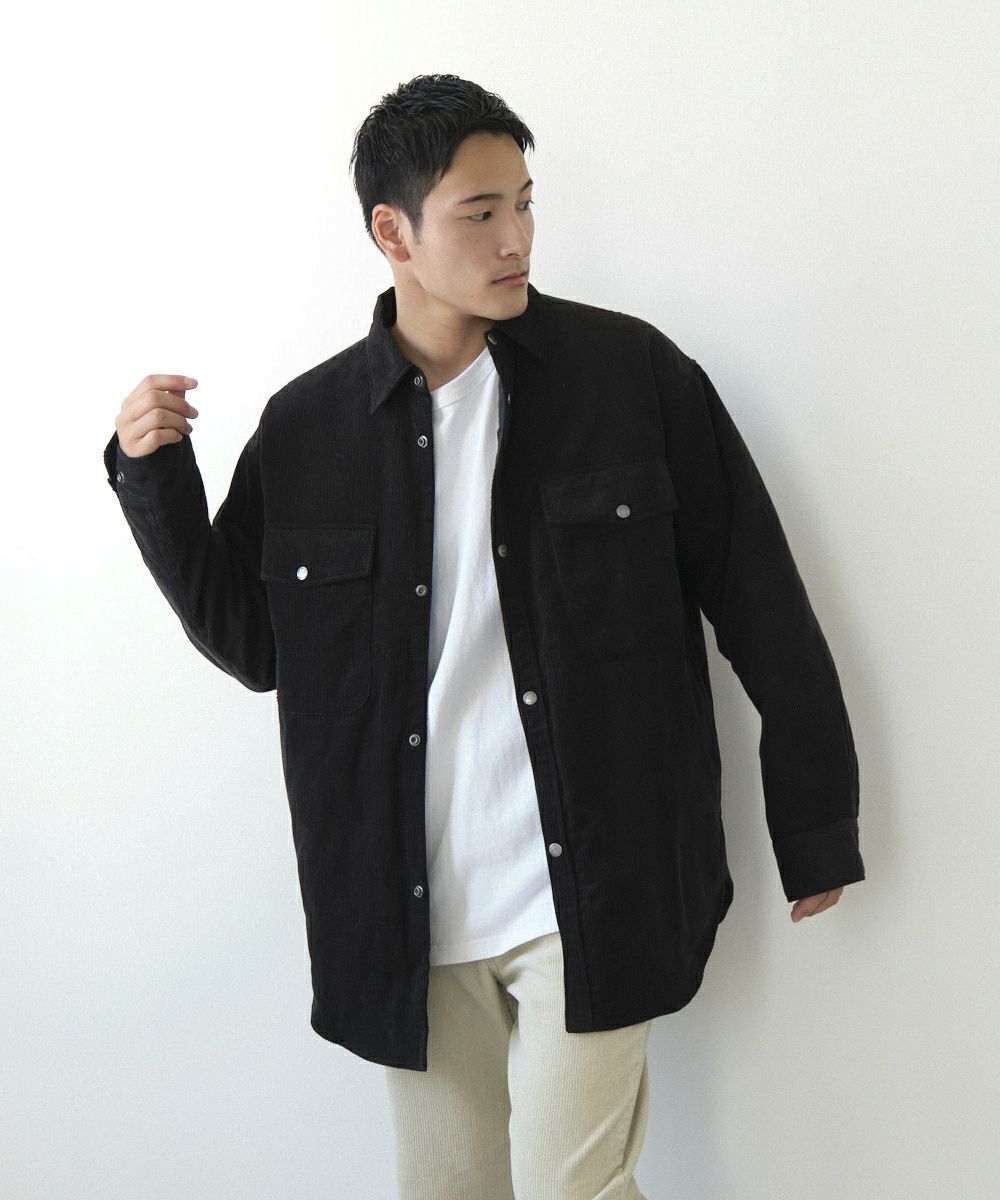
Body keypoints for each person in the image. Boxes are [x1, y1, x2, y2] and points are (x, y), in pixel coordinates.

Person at [103, 73, 864, 1200]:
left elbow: (758, 594)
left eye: (525, 203)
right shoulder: (308, 429)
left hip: (596, 884)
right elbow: (256, 649)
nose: (518, 239)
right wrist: (155, 481)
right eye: (480, 212)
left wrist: (815, 819)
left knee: (572, 1189)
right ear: (392, 233)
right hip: (404, 904)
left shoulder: (631, 377)